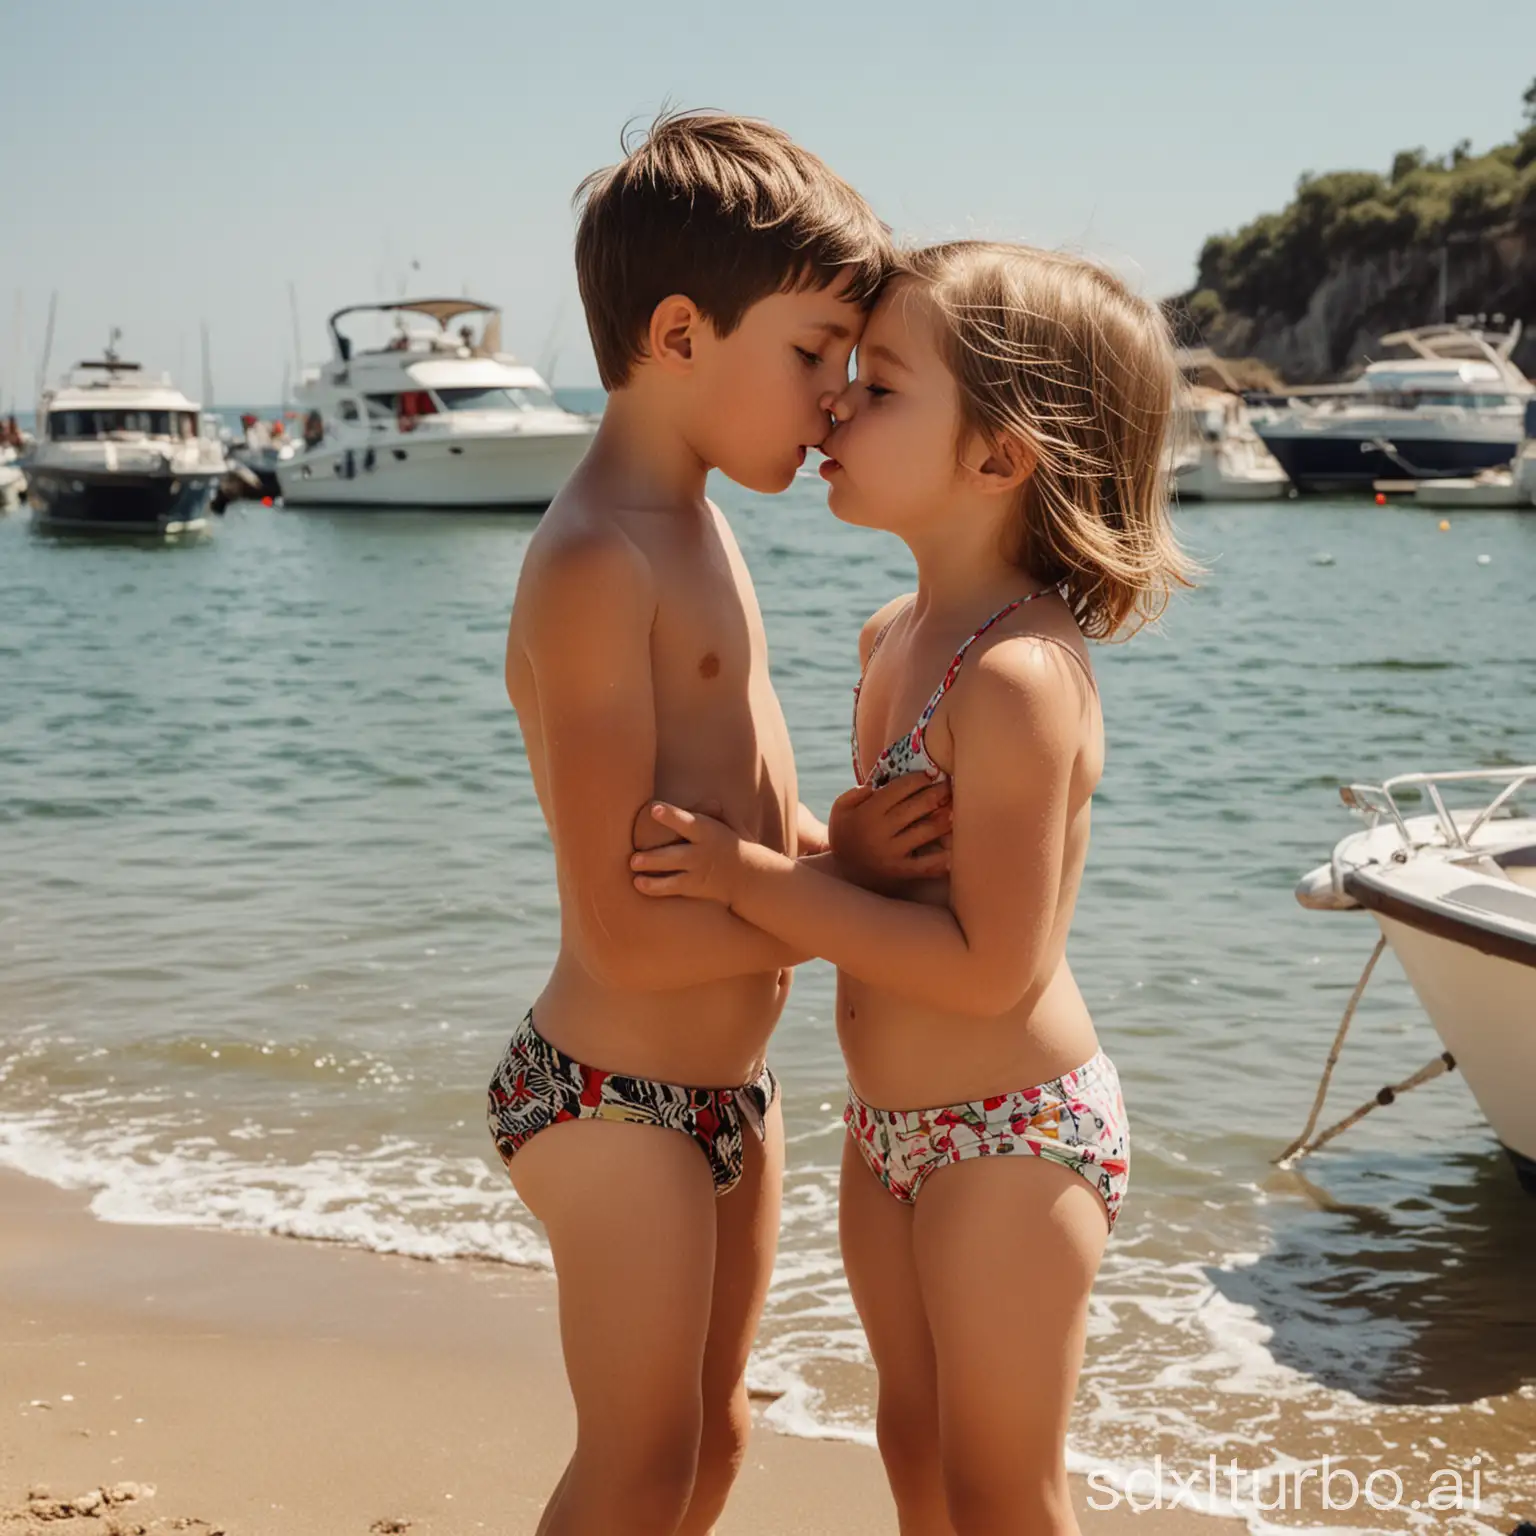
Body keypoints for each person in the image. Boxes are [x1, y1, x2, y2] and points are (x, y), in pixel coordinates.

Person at [631, 240, 1191, 1536]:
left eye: (878, 388)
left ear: (1001, 457)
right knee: (913, 1441)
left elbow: (992, 965)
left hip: (1012, 1131)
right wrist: (816, 856)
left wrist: (756, 880)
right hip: (892, 1131)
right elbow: (889, 890)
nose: (832, 404)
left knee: (1004, 1490)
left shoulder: (1018, 678)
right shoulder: (893, 636)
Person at [486, 112, 908, 1536]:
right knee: (637, 1464)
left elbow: (752, 805)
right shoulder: (598, 560)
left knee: (715, 1444)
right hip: (609, 1096)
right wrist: (831, 916)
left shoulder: (705, 524)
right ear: (678, 334)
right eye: (813, 355)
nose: (838, 400)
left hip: (731, 1095)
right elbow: (622, 924)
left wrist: (850, 857)